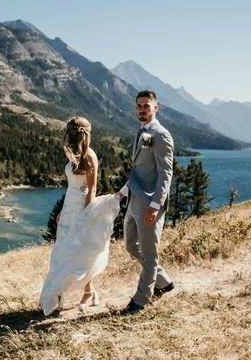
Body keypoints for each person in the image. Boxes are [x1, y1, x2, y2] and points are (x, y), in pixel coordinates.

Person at [39, 116, 121, 316]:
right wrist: (62, 211)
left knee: (79, 251)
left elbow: (92, 190)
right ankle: (77, 292)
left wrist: (85, 217)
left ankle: (79, 293)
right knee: (64, 251)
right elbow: (72, 186)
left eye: (69, 132)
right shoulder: (73, 153)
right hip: (69, 207)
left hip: (82, 208)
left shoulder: (90, 156)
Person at [116, 90, 175, 314]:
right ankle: (164, 282)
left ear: (155, 108)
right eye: (139, 106)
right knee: (131, 245)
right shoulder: (144, 132)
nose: (142, 109)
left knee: (149, 255)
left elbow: (165, 173)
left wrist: (155, 205)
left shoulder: (161, 134)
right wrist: (123, 192)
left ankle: (140, 301)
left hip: (149, 203)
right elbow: (139, 170)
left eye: (146, 106)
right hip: (134, 200)